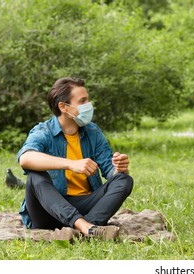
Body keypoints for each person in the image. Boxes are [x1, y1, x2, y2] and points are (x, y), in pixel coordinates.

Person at [17, 77, 134, 240]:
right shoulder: (43, 131)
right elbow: (26, 158)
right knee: (35, 176)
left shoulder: (93, 132)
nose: (89, 105)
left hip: (86, 206)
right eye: (83, 101)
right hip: (47, 212)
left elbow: (110, 170)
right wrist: (71, 164)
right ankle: (83, 226)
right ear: (63, 107)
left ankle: (90, 229)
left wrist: (120, 168)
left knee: (125, 180)